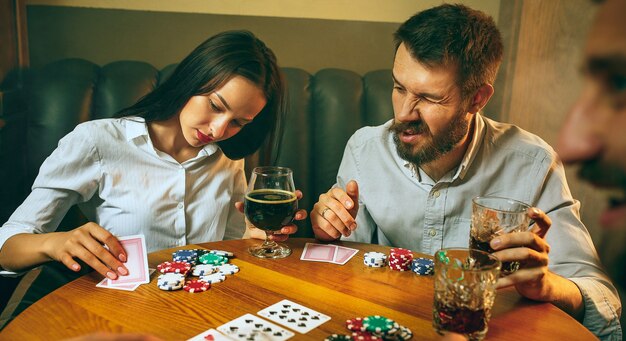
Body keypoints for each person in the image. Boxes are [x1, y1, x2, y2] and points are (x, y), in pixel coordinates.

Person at [310, 4, 621, 339]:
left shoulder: (533, 164)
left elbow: (603, 299)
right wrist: (328, 227)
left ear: (477, 99)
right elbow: (346, 262)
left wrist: (548, 286)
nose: (402, 114)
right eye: (399, 87)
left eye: (428, 98)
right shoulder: (364, 149)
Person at [0, 30, 304, 318]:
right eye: (214, 105)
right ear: (191, 79)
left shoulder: (228, 159)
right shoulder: (97, 141)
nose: (218, 130)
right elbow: (6, 247)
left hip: (208, 310)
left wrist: (258, 236)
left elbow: (230, 243)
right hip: (122, 312)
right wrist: (54, 243)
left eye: (238, 122)